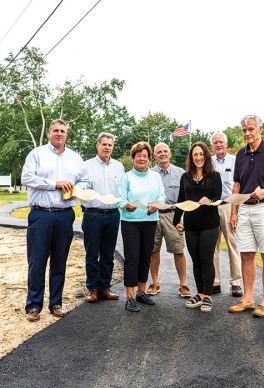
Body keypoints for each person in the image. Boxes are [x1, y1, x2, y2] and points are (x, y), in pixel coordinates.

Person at [21, 119, 87, 322]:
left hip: (65, 215)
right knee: (37, 262)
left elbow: (84, 180)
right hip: (41, 214)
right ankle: (33, 305)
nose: (59, 133)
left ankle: (55, 303)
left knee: (59, 261)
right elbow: (26, 177)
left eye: (63, 131)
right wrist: (54, 184)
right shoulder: (37, 154)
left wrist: (78, 189)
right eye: (56, 130)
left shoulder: (76, 158)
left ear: (66, 134)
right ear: (49, 133)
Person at [229, 115, 264, 317]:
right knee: (246, 254)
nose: (247, 133)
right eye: (244, 130)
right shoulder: (240, 154)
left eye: (251, 129)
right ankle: (247, 299)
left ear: (260, 130)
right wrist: (234, 211)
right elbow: (237, 185)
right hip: (244, 208)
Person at [173, 142, 222, 312]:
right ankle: (200, 294)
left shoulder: (214, 176)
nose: (198, 157)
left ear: (206, 156)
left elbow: (218, 196)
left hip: (209, 224)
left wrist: (209, 200)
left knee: (206, 259)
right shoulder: (185, 177)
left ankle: (208, 295)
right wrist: (176, 221)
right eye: (195, 155)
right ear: (191, 157)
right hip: (191, 225)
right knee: (195, 260)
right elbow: (181, 200)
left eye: (201, 154)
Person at [118, 142, 166, 312]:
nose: (142, 158)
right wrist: (126, 206)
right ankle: (130, 297)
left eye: (145, 156)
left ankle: (141, 292)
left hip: (150, 220)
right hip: (130, 222)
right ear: (133, 158)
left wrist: (157, 204)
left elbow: (162, 195)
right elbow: (121, 199)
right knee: (132, 258)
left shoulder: (155, 177)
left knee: (146, 256)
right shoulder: (126, 177)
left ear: (149, 158)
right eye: (138, 155)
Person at [80, 132, 125, 303]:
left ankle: (104, 287)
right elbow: (81, 187)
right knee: (92, 254)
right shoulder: (86, 166)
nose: (107, 147)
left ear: (113, 147)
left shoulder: (119, 167)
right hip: (93, 214)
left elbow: (121, 191)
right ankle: (92, 289)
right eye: (104, 144)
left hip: (113, 215)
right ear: (97, 145)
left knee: (108, 254)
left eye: (110, 145)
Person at [147, 142, 191, 298]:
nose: (163, 154)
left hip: (174, 215)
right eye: (159, 152)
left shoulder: (181, 173)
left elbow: (187, 197)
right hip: (154, 215)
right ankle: (154, 282)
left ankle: (183, 284)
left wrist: (184, 219)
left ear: (170, 154)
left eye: (165, 151)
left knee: (178, 250)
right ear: (155, 156)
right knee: (153, 250)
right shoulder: (150, 173)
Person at [211, 132, 242, 297]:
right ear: (212, 146)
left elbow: (240, 184)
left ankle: (236, 282)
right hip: (213, 207)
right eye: (215, 142)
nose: (218, 145)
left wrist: (236, 210)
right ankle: (215, 281)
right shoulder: (209, 162)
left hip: (230, 206)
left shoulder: (235, 161)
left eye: (221, 142)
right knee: (213, 246)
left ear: (226, 143)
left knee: (232, 245)